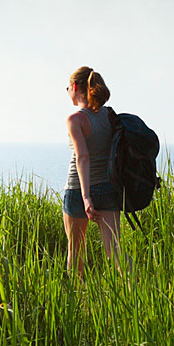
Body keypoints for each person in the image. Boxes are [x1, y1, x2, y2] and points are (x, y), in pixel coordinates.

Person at [64, 66, 122, 276]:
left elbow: (83, 157)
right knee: (116, 252)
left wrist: (86, 196)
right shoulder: (109, 116)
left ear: (76, 87)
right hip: (107, 189)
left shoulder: (75, 119)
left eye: (68, 87)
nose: (67, 91)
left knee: (75, 251)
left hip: (77, 190)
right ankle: (135, 296)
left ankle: (77, 303)